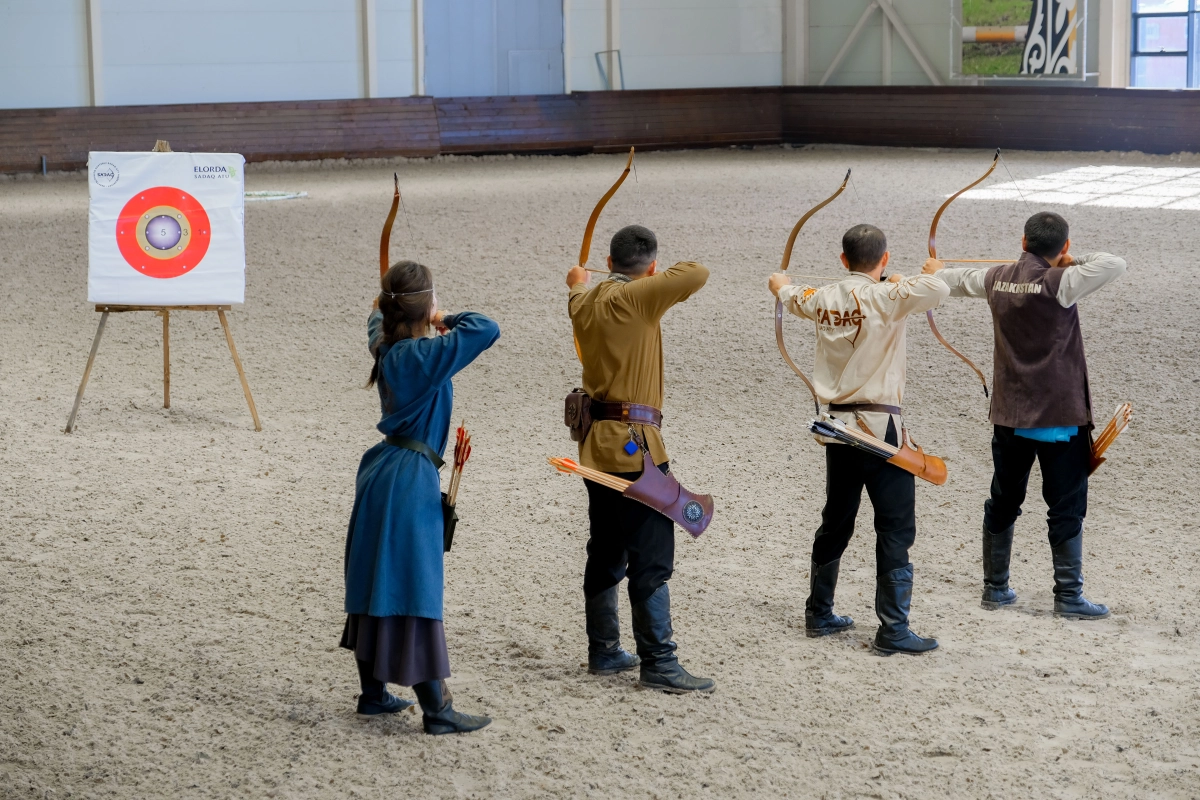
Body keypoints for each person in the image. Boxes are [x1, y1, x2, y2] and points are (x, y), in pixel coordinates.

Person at [926, 211, 1126, 620]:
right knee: (1066, 504)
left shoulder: (996, 277)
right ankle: (1068, 596)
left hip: (1011, 414)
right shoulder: (1063, 281)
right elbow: (1114, 263)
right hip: (1059, 416)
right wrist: (1071, 260)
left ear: (1022, 240)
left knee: (1004, 498)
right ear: (1064, 247)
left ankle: (995, 589)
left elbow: (949, 282)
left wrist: (936, 270)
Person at [769, 223, 948, 655]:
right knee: (895, 526)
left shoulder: (820, 298)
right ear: (884, 260)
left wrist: (780, 283)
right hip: (880, 433)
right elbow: (936, 290)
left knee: (838, 518)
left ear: (842, 259)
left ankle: (819, 611)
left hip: (837, 430)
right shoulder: (889, 296)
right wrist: (931, 269)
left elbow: (788, 292)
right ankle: (893, 628)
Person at [340, 259, 500, 734]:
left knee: (376, 579)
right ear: (423, 307)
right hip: (409, 480)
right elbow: (486, 328)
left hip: (381, 472)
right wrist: (442, 317)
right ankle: (439, 710)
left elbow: (375, 315)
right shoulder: (421, 357)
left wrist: (402, 306)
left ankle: (373, 695)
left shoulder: (385, 343)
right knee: (415, 586)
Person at [566, 224, 714, 693]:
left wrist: (577, 280)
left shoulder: (582, 301)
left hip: (594, 447)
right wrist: (648, 280)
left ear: (607, 263)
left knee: (607, 546)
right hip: (635, 450)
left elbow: (576, 288)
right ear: (649, 268)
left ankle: (605, 650)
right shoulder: (639, 298)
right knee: (651, 555)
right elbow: (697, 272)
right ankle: (659, 662)